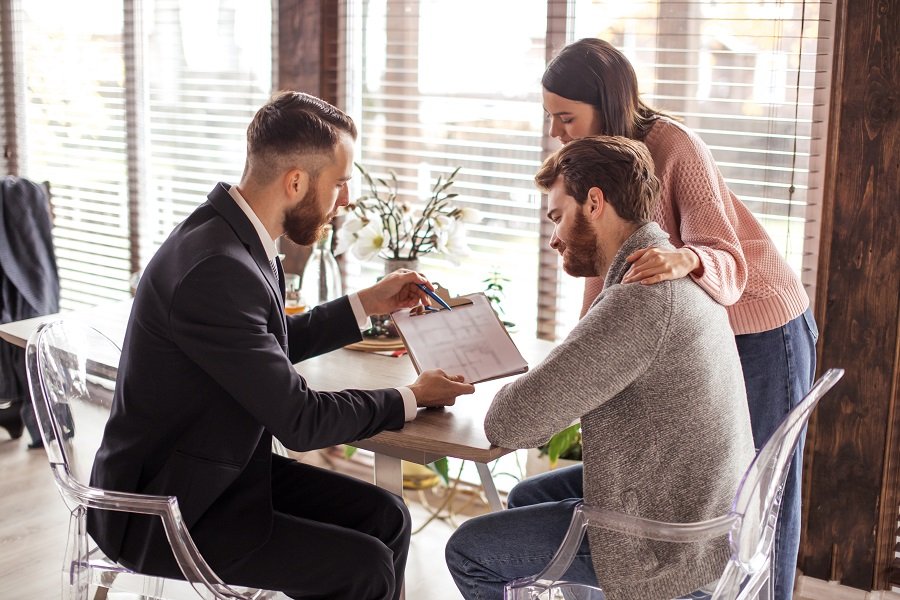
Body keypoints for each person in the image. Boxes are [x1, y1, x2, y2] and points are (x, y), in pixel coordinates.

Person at [88, 91, 475, 600]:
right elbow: (300, 420)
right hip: (166, 509)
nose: (347, 199)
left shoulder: (233, 236)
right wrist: (411, 397)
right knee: (365, 569)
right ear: (296, 181)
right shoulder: (217, 269)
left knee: (388, 517)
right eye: (339, 183)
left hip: (219, 477)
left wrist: (365, 304)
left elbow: (269, 344)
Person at [540, 37, 819, 599]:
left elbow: (726, 252)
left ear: (605, 101)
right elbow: (602, 261)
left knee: (758, 498)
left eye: (565, 117)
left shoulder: (674, 146)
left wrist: (685, 257)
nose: (556, 131)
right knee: (702, 496)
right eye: (550, 118)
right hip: (700, 332)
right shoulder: (596, 163)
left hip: (759, 326)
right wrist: (579, 358)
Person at [445, 136, 756, 600]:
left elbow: (511, 422)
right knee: (526, 497)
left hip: (673, 543)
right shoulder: (670, 276)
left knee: (468, 550)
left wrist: (540, 379)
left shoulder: (640, 300)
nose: (553, 238)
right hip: (700, 504)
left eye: (557, 216)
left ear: (594, 202)